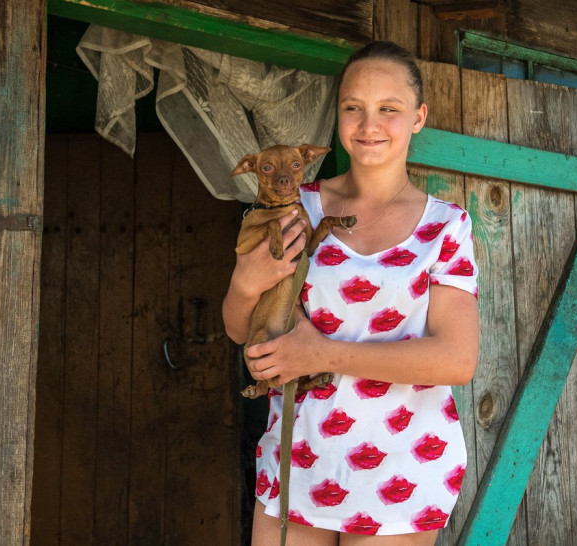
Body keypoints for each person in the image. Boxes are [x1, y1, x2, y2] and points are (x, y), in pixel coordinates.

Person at [222, 41, 479, 545]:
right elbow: (239, 327)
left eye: (389, 109)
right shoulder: (294, 207)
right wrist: (244, 283)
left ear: (418, 117)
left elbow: (456, 360)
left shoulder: (446, 227)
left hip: (403, 469)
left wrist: (321, 354)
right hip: (297, 459)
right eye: (353, 107)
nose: (369, 125)